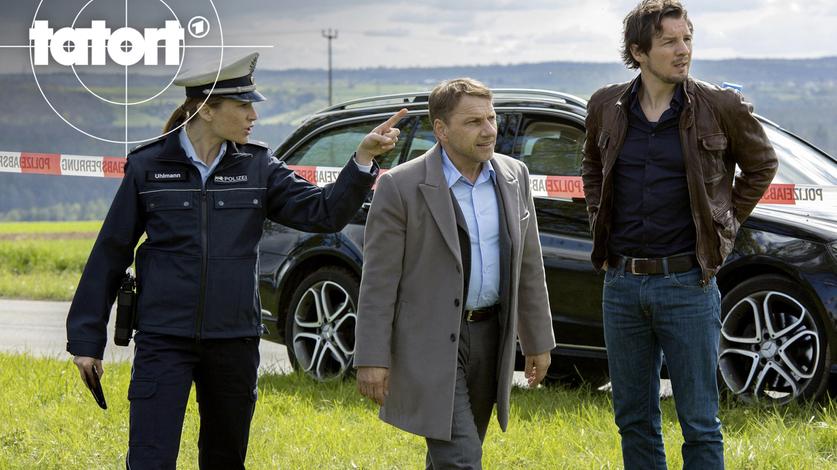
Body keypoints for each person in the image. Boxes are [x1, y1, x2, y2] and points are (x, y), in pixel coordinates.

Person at [66, 51, 407, 469]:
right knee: (150, 459)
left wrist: (362, 160)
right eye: (243, 105)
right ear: (207, 109)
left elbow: (323, 213)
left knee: (225, 459)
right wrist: (86, 341)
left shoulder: (259, 166)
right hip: (163, 338)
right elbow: (110, 252)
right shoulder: (148, 166)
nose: (253, 116)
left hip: (234, 340)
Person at [581, 1, 778, 469]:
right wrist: (596, 217)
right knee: (633, 419)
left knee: (700, 423)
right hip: (621, 285)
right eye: (669, 41)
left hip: (688, 284)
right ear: (639, 52)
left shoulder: (720, 106)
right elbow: (591, 164)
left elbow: (762, 165)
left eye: (687, 39)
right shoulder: (605, 106)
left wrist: (724, 223)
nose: (683, 49)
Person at [354, 78, 555, 469]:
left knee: (453, 453)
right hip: (428, 343)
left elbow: (529, 264)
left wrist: (537, 341)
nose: (489, 130)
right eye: (473, 122)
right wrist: (372, 358)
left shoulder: (514, 175)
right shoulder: (399, 186)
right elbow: (378, 282)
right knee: (462, 458)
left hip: (491, 337)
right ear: (441, 130)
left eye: (491, 118)